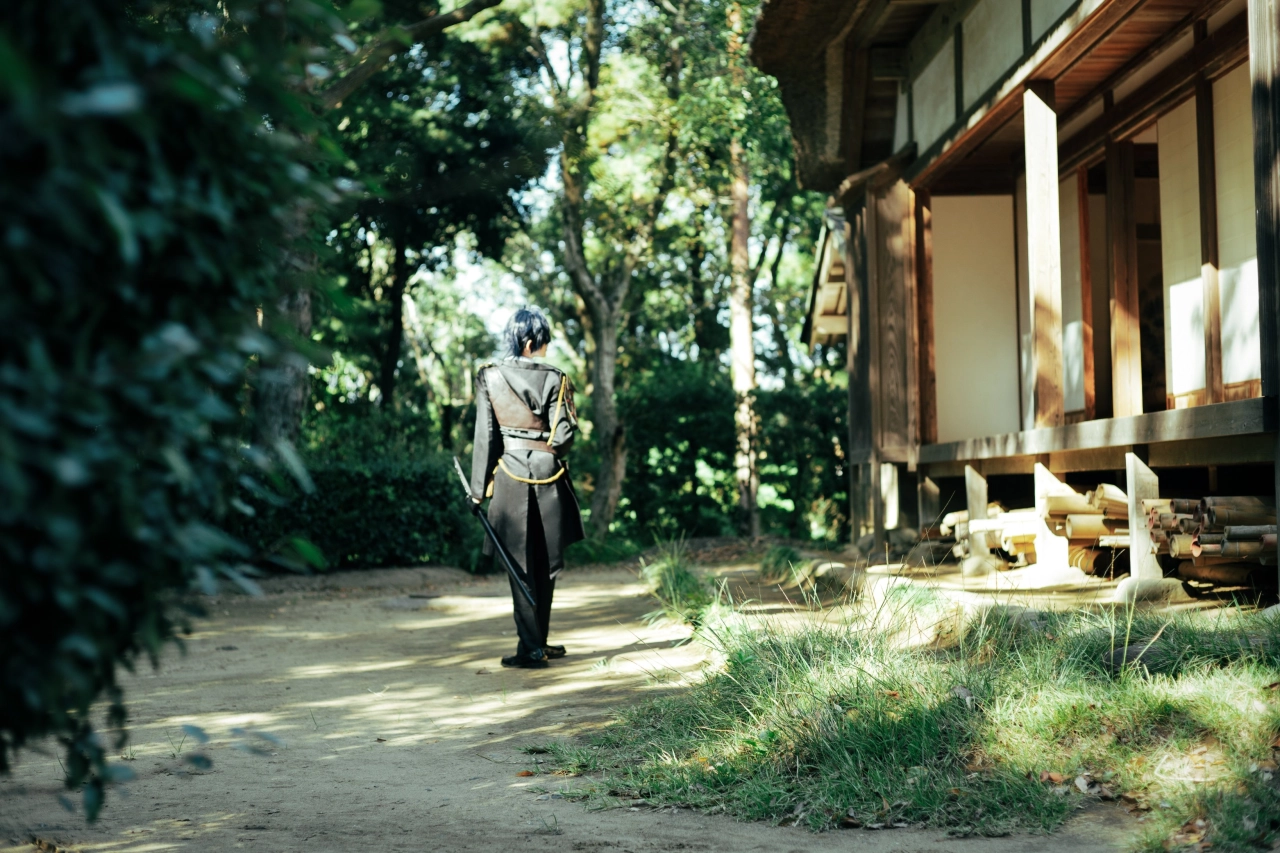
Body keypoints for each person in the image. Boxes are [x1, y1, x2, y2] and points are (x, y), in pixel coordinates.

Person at [470, 307, 585, 668]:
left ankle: (533, 648)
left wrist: (477, 490)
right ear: (532, 341)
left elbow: (486, 437)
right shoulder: (556, 378)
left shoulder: (489, 376)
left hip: (510, 477)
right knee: (544, 563)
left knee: (519, 565)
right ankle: (537, 643)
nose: (547, 346)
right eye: (545, 340)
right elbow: (563, 438)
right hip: (550, 476)